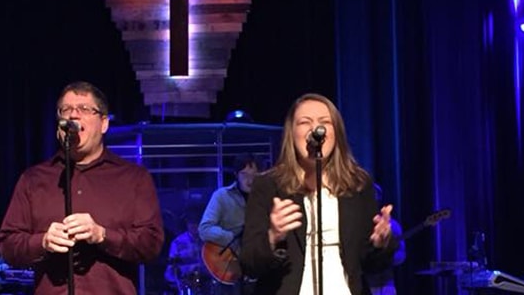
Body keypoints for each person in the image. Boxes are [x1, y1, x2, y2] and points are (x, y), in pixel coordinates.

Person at [0, 81, 164, 294]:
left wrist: (102, 235)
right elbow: (8, 245)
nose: (73, 115)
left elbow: (151, 244)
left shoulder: (133, 178)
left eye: (84, 109)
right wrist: (43, 242)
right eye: (66, 110)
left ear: (104, 123)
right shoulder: (33, 179)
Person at [239, 93, 398, 295]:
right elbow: (249, 263)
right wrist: (272, 236)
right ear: (291, 134)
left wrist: (381, 243)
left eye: (324, 122)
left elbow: (372, 266)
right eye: (305, 122)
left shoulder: (357, 185)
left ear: (336, 133)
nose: (316, 129)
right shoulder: (268, 186)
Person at [199, 154, 265, 294]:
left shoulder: (266, 198)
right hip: (229, 269)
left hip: (258, 271)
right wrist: (231, 239)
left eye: (254, 175)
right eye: (244, 174)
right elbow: (204, 229)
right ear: (236, 174)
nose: (249, 180)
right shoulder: (222, 196)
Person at [365, 184, 405, 295]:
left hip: (386, 285)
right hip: (362, 284)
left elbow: (401, 255)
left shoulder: (392, 225)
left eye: (375, 195)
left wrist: (384, 258)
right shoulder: (359, 224)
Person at [166, 209, 207, 292]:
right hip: (184, 283)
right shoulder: (178, 242)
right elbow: (171, 268)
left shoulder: (207, 241)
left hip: (205, 282)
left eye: (197, 223)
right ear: (187, 224)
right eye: (192, 223)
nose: (195, 226)